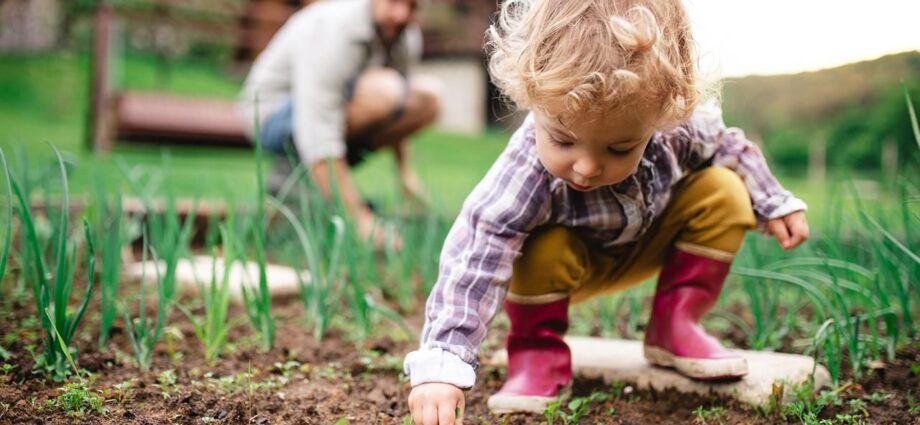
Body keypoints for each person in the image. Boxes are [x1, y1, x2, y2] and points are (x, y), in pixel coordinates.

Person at [403, 0, 810, 422]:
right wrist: (443, 361)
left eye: (619, 147)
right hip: (565, 269)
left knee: (724, 189)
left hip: (648, 242)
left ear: (662, 114)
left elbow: (729, 147)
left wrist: (772, 201)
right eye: (562, 140)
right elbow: (478, 246)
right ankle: (536, 352)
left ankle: (675, 324)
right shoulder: (525, 169)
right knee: (534, 242)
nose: (587, 166)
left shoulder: (676, 129)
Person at [237, 0, 440, 248]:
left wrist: (405, 174)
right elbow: (317, 125)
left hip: (332, 112)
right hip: (272, 116)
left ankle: (312, 182)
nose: (401, 15)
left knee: (427, 101)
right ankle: (298, 178)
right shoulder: (335, 28)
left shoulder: (405, 35)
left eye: (412, 7)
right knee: (384, 90)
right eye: (394, 2)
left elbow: (399, 109)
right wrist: (359, 219)